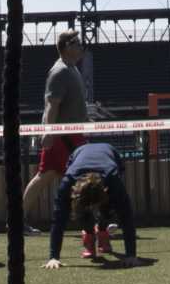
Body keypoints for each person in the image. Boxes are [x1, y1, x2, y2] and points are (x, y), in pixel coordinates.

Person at [24, 30, 89, 242]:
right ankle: (93, 222)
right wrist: (49, 132)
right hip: (62, 136)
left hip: (72, 134)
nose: (81, 46)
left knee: (51, 176)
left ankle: (91, 220)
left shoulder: (72, 69)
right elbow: (51, 105)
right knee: (55, 176)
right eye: (77, 43)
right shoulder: (59, 71)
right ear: (67, 46)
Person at [39, 140, 141, 270]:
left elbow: (126, 216)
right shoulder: (67, 182)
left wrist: (131, 255)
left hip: (109, 153)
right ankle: (89, 235)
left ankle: (102, 231)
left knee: (109, 209)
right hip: (78, 154)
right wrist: (54, 257)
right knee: (82, 212)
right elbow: (58, 220)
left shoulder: (113, 179)